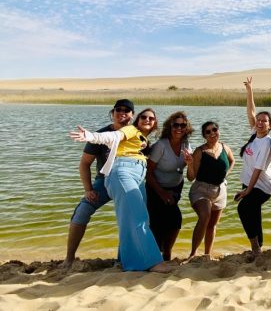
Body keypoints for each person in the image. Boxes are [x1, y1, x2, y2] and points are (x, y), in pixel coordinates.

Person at [69, 108, 171, 272]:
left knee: (129, 219)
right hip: (123, 172)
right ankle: (152, 262)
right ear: (137, 120)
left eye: (151, 118)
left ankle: (125, 260)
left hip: (137, 176)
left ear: (155, 123)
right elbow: (112, 137)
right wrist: (91, 136)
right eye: (143, 117)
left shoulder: (142, 139)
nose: (147, 120)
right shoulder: (130, 130)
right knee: (138, 217)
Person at [63, 99, 134, 267]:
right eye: (119, 109)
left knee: (129, 217)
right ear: (113, 112)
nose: (122, 112)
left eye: (127, 110)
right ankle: (69, 258)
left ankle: (122, 258)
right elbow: (84, 164)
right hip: (104, 181)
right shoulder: (102, 135)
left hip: (128, 182)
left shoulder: (137, 134)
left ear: (132, 115)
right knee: (82, 211)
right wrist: (88, 190)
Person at [146, 111, 193, 261]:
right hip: (155, 188)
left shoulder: (186, 145)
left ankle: (167, 253)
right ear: (169, 126)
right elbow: (148, 173)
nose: (179, 128)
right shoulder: (161, 146)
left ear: (187, 128)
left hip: (175, 188)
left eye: (182, 125)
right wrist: (162, 193)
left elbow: (191, 175)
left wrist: (190, 163)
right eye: (175, 125)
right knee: (156, 222)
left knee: (174, 221)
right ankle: (154, 256)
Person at [236, 77, 271, 255]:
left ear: (270, 126)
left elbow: (258, 170)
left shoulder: (266, 142)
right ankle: (259, 245)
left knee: (244, 208)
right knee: (254, 213)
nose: (259, 122)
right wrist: (250, 91)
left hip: (262, 186)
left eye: (264, 121)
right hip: (250, 183)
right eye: (259, 120)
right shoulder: (255, 134)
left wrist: (247, 190)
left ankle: (255, 247)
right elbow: (251, 112)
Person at [186, 120, 235, 259]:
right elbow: (190, 177)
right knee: (204, 216)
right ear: (204, 136)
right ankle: (193, 254)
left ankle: (207, 254)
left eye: (214, 129)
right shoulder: (200, 151)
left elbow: (232, 161)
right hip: (201, 190)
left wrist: (226, 174)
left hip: (220, 191)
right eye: (208, 132)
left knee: (212, 225)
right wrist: (189, 165)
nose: (212, 133)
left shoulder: (225, 147)